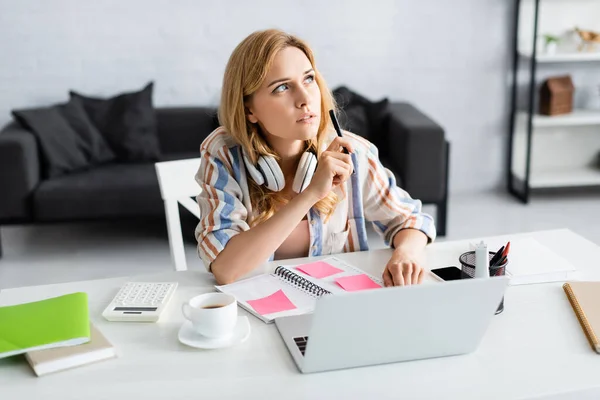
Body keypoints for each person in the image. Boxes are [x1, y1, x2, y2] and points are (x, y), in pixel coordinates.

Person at [195, 29, 436, 286]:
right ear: (249, 109)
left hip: (336, 306)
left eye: (308, 79)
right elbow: (225, 269)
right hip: (256, 307)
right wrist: (310, 194)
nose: (305, 99)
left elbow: (411, 219)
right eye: (282, 87)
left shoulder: (350, 152)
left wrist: (406, 253)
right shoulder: (223, 154)